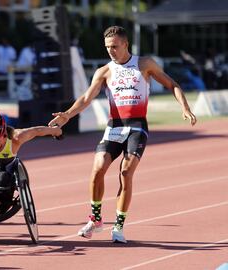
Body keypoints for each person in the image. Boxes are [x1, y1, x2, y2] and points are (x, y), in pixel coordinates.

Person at [48, 26, 197, 243]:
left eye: (115, 46)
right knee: (98, 169)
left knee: (126, 173)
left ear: (126, 44)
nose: (111, 51)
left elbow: (172, 84)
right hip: (114, 127)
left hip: (137, 127)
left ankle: (118, 227)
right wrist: (67, 115)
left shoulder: (144, 64)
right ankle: (96, 219)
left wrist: (185, 108)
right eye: (108, 47)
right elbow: (86, 98)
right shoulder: (104, 71)